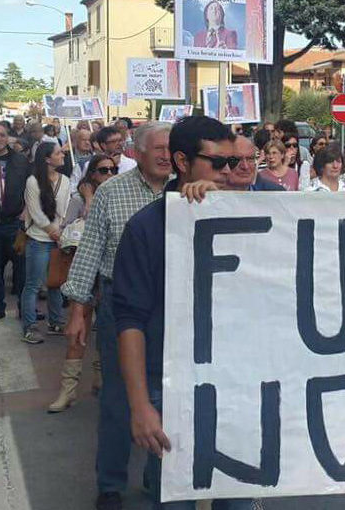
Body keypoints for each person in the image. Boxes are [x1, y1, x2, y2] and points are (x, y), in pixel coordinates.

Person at [113, 115, 254, 510]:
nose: (230, 172)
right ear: (181, 161)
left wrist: (222, 209)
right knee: (172, 499)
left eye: (236, 162)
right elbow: (130, 321)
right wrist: (141, 407)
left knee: (238, 502)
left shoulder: (259, 214)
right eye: (218, 163)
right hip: (170, 388)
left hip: (240, 387)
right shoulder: (146, 228)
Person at [61, 121, 173, 510]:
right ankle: (110, 483)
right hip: (118, 305)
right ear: (137, 153)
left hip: (172, 305)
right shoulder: (112, 191)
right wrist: (78, 309)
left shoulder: (188, 191)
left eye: (170, 148)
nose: (164, 154)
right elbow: (90, 250)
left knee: (168, 397)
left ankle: (160, 480)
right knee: (118, 398)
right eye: (156, 148)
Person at [47, 154, 117, 412]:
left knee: (106, 332)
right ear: (91, 174)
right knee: (77, 333)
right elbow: (67, 228)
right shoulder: (79, 198)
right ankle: (68, 391)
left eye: (113, 169)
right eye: (103, 170)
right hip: (83, 271)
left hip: (108, 274)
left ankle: (100, 381)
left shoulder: (119, 194)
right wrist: (89, 198)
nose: (109, 174)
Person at [20, 142, 69, 344]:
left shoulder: (65, 180)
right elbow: (35, 211)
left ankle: (56, 321)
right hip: (39, 239)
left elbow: (64, 209)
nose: (63, 155)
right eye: (58, 153)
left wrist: (59, 232)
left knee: (56, 283)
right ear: (47, 158)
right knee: (32, 284)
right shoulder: (33, 181)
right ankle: (29, 327)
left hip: (57, 239)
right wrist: (51, 231)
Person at [0, 121, 31, 324]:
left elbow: (32, 188)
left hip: (15, 224)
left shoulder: (20, 161)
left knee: (22, 268)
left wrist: (26, 212)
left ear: (8, 137)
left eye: (2, 135)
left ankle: (26, 309)